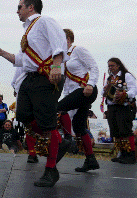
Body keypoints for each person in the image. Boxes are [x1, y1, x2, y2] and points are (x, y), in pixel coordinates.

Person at [0, 0, 69, 187]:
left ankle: (51, 169)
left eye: (19, 7)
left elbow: (59, 44)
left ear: (31, 7)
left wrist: (56, 67)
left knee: (47, 123)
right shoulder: (27, 32)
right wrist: (2, 53)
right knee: (23, 115)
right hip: (29, 78)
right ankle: (60, 141)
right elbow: (22, 60)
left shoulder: (44, 21)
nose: (17, 11)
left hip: (46, 77)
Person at [56, 29, 100, 171]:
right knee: (79, 126)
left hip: (85, 91)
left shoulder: (78, 50)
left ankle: (66, 141)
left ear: (68, 39)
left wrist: (90, 84)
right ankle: (91, 160)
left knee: (58, 109)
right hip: (74, 94)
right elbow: (67, 83)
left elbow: (94, 67)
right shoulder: (61, 58)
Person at [102, 57, 137, 164]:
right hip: (112, 107)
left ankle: (130, 155)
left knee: (125, 130)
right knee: (116, 131)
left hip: (124, 106)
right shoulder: (109, 78)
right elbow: (103, 93)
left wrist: (125, 94)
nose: (110, 68)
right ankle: (122, 154)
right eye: (109, 66)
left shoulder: (126, 75)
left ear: (118, 65)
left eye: (112, 65)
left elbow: (134, 90)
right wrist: (105, 90)